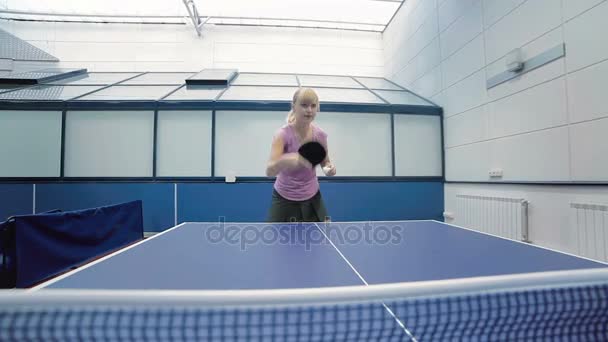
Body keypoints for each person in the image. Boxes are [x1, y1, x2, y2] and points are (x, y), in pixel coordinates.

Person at [266, 88, 336, 222]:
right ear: (294, 107)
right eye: (304, 105)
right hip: (283, 198)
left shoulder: (320, 135)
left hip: (313, 197)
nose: (309, 110)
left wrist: (329, 169)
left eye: (313, 106)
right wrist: (288, 159)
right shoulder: (282, 135)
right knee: (275, 240)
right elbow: (270, 171)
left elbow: (325, 162)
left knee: (325, 235)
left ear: (317, 108)